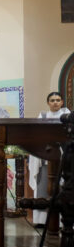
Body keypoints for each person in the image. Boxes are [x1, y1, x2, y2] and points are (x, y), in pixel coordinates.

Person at [28, 91, 71, 226]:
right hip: (46, 157)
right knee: (44, 187)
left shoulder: (69, 116)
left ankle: (62, 222)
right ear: (48, 103)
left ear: (62, 102)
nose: (55, 102)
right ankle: (42, 221)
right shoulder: (43, 116)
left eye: (58, 100)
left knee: (63, 188)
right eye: (52, 100)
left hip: (65, 159)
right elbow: (38, 135)